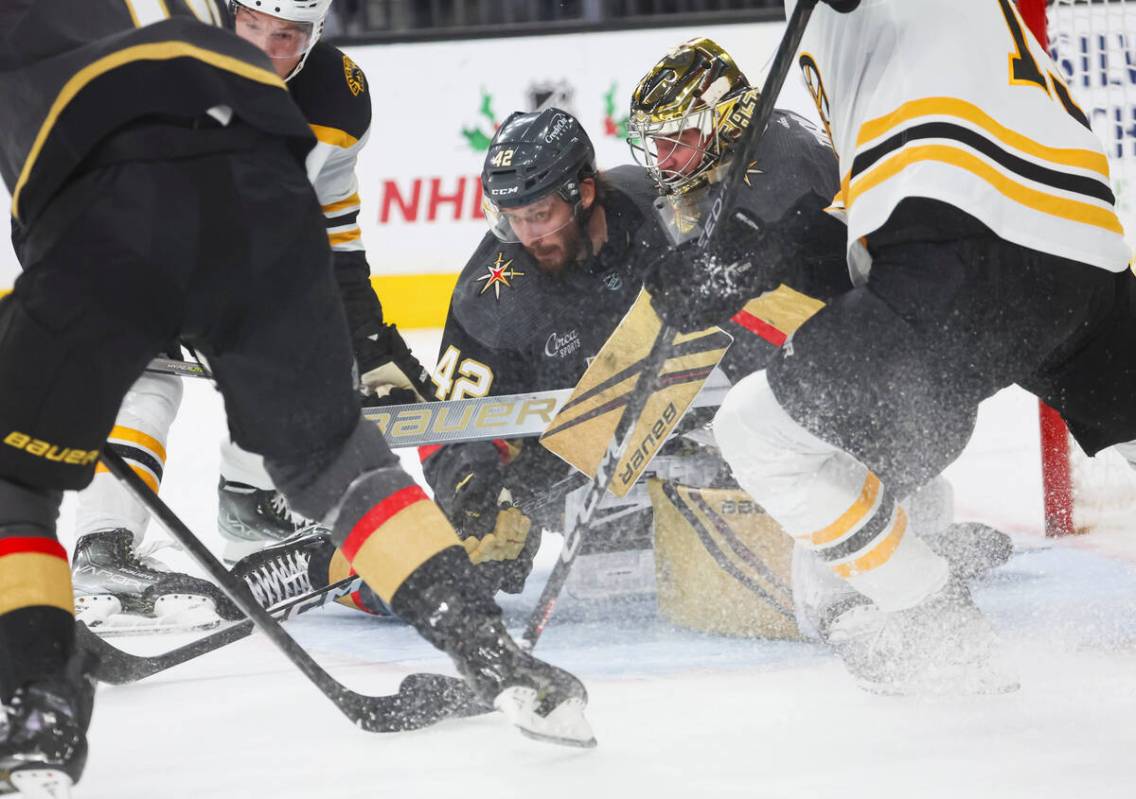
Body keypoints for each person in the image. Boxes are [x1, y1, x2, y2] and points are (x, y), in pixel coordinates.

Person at [0, 2, 592, 793]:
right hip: (263, 211)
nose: (278, 46)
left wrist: (374, 338)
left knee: (17, 479)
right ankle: (494, 652)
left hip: (111, 212)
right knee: (337, 456)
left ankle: (38, 704)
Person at [647, 0, 1136, 693]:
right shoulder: (886, 50)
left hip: (964, 239)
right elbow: (873, 211)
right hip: (1079, 243)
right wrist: (755, 261)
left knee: (755, 433)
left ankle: (938, 624)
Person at [69, 0, 435, 633]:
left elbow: (334, 233)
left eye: (286, 35)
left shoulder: (336, 97)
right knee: (140, 371)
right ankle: (104, 547)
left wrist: (368, 338)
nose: (267, 47)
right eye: (253, 25)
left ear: (314, 36)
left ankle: (254, 514)